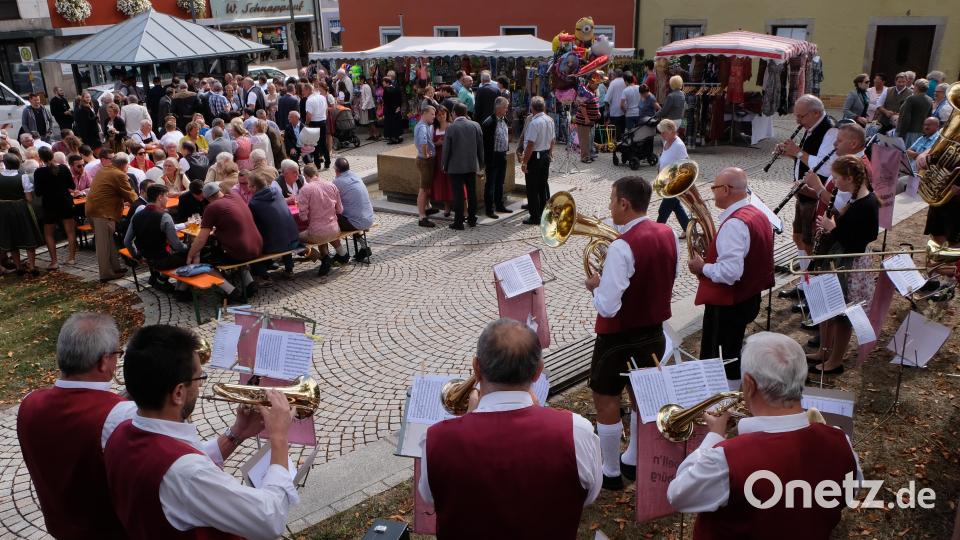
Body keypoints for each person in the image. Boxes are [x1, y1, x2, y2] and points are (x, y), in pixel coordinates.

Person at [103, 324, 298, 539]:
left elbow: (178, 460)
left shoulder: (118, 431)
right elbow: (269, 519)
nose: (200, 387)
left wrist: (237, 433)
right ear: (178, 393)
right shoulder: (188, 473)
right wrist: (279, 437)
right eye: (199, 378)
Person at [419, 318, 601, 538]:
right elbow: (589, 496)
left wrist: (468, 421)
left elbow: (430, 496)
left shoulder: (436, 438)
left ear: (477, 367)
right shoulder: (578, 431)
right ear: (538, 371)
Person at [667, 332, 861, 536]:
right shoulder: (841, 441)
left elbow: (677, 495)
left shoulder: (725, 460)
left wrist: (713, 437)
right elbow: (850, 492)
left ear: (749, 384)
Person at [584, 176, 678, 489]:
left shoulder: (622, 247)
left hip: (617, 337)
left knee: (606, 397)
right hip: (653, 332)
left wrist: (595, 287)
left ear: (624, 203)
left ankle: (610, 472)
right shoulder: (667, 232)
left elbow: (608, 307)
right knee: (642, 396)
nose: (609, 207)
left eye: (612, 200)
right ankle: (635, 459)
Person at [17, 314, 135, 539]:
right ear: (103, 361)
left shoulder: (29, 402)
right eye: (116, 355)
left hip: (61, 529)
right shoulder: (119, 413)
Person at [688, 167, 774, 385]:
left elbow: (730, 273)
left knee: (719, 361)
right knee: (732, 352)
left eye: (714, 187)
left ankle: (722, 404)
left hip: (728, 304)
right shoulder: (757, 213)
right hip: (748, 297)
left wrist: (702, 267)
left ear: (725, 189)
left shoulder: (735, 224)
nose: (712, 192)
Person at [803, 156, 880, 376]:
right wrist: (832, 227)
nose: (834, 183)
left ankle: (835, 360)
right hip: (839, 260)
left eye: (836, 178)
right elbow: (850, 230)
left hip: (849, 265)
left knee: (843, 315)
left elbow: (861, 239)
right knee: (829, 308)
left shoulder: (867, 203)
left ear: (849, 178)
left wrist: (832, 228)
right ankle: (824, 351)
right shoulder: (856, 199)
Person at [778, 94, 837, 277]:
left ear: (816, 113)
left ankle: (813, 284)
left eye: (801, 116)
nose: (797, 120)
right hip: (802, 193)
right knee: (798, 238)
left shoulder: (830, 130)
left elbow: (826, 167)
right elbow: (806, 156)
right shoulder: (812, 125)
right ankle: (805, 281)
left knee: (811, 242)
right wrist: (791, 153)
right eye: (796, 116)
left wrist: (797, 152)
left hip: (815, 196)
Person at [186, 183, 262, 299]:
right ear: (220, 190)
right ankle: (250, 283)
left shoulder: (212, 208)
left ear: (207, 199)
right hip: (257, 246)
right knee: (235, 247)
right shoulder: (235, 196)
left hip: (241, 252)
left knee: (205, 260)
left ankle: (231, 291)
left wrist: (190, 255)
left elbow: (201, 239)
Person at [86, 153, 138, 281]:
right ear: (124, 165)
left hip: (95, 210)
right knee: (103, 244)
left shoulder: (105, 169)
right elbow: (131, 195)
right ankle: (106, 274)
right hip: (102, 212)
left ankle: (115, 267)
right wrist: (144, 205)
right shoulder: (119, 174)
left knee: (109, 241)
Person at [297, 164, 347, 276]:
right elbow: (340, 210)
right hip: (335, 229)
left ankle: (322, 258)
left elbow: (303, 217)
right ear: (317, 173)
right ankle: (341, 254)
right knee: (324, 232)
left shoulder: (305, 189)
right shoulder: (332, 185)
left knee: (294, 239)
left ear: (305, 176)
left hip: (317, 232)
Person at [248, 173, 299, 281]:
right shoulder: (278, 193)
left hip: (275, 246)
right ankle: (289, 269)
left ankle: (264, 276)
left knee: (253, 246)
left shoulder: (254, 203)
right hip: (294, 240)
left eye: (249, 185)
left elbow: (253, 227)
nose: (248, 188)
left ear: (254, 187)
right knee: (282, 232)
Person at [33, 147, 77, 269]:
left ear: (40, 157)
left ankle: (54, 261)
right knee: (70, 231)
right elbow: (72, 186)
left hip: (49, 204)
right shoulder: (63, 168)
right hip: (65, 202)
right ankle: (72, 258)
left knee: (49, 234)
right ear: (52, 155)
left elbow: (38, 192)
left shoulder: (39, 172)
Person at [442, 102, 484, 230]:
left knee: (458, 195)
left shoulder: (451, 128)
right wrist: (481, 165)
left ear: (454, 113)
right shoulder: (476, 125)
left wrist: (444, 164)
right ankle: (472, 219)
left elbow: (446, 149)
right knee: (472, 193)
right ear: (466, 113)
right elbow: (480, 147)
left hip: (455, 168)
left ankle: (458, 222)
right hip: (471, 166)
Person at [0, 153, 43, 274]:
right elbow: (29, 198)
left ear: (5, 163)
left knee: (12, 238)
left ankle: (18, 267)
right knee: (27, 235)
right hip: (20, 209)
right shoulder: (22, 177)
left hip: (3, 211)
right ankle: (32, 267)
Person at [520, 96, 556, 225]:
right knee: (542, 185)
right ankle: (542, 212)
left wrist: (524, 162)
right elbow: (553, 140)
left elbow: (530, 144)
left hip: (535, 157)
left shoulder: (535, 123)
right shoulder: (550, 120)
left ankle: (534, 216)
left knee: (532, 187)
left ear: (532, 108)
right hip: (545, 155)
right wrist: (550, 153)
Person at [332, 158, 374, 260]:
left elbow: (331, 202)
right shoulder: (356, 176)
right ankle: (364, 247)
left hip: (356, 222)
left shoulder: (337, 182)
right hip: (369, 218)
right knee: (353, 214)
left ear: (336, 170)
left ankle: (341, 254)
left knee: (328, 220)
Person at [654, 119, 691, 235]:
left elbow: (686, 165)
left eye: (663, 132)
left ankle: (656, 233)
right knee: (676, 207)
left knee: (663, 210)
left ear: (671, 131)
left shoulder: (679, 145)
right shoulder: (666, 142)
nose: (662, 135)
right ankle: (689, 230)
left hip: (675, 184)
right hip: (666, 182)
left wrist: (673, 178)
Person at [481, 97, 514, 218]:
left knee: (500, 182)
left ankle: (500, 205)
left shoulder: (504, 119)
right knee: (490, 184)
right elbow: (484, 143)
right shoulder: (489, 122)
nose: (507, 109)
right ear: (498, 108)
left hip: (502, 155)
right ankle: (489, 209)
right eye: (505, 107)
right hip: (492, 156)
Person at [415, 104, 438, 228]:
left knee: (426, 187)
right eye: (432, 114)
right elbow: (423, 142)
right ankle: (422, 216)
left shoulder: (424, 125)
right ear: (424, 114)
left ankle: (427, 207)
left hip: (425, 160)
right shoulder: (423, 127)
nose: (434, 117)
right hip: (425, 161)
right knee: (423, 189)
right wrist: (426, 154)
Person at [898, 79, 934, 148]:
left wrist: (901, 134)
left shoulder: (911, 99)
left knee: (904, 154)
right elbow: (929, 117)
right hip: (921, 133)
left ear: (916, 87)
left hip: (909, 132)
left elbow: (906, 118)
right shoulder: (930, 100)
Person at [572, 82, 601, 164]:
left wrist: (597, 113)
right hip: (584, 121)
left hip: (590, 121)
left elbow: (594, 104)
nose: (598, 85)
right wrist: (586, 118)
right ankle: (584, 157)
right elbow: (582, 106)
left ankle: (588, 155)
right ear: (591, 83)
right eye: (597, 84)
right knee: (584, 140)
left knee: (589, 139)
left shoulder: (592, 91)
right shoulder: (585, 91)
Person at [304, 81, 331, 169]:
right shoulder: (322, 97)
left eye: (304, 90)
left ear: (308, 90)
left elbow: (309, 115)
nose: (303, 93)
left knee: (314, 145)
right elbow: (326, 110)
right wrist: (324, 118)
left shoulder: (309, 100)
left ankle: (318, 164)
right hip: (322, 121)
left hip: (314, 123)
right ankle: (327, 162)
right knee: (323, 143)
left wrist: (307, 124)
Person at [605, 69, 626, 140]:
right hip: (624, 109)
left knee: (615, 129)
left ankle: (616, 143)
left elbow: (607, 98)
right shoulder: (625, 81)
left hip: (615, 110)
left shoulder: (613, 83)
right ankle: (621, 142)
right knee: (622, 128)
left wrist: (607, 110)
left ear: (615, 75)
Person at [382, 77, 404, 144]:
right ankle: (397, 137)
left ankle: (392, 138)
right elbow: (400, 98)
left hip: (389, 109)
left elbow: (386, 101)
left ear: (387, 83)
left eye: (384, 82)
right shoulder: (396, 88)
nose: (383, 83)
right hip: (396, 108)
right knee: (396, 123)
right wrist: (398, 107)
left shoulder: (386, 90)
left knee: (390, 123)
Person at [358, 75, 379, 140]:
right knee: (368, 123)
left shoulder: (366, 86)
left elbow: (368, 97)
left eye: (359, 79)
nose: (358, 81)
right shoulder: (362, 87)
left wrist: (363, 106)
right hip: (366, 107)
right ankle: (371, 134)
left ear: (362, 80)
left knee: (371, 122)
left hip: (369, 107)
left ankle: (376, 134)